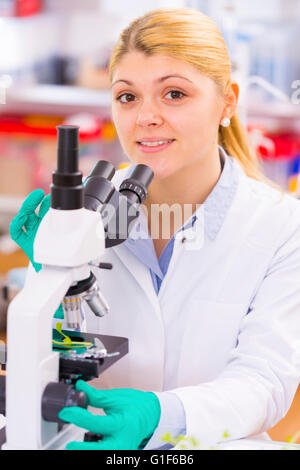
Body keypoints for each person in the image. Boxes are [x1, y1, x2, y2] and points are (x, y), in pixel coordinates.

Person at [10, 8, 300, 450]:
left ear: (228, 102)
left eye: (174, 94)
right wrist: (46, 285)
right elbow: (51, 359)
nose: (145, 116)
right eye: (128, 96)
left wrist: (160, 416)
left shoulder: (282, 226)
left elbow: (265, 380)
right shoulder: (79, 216)